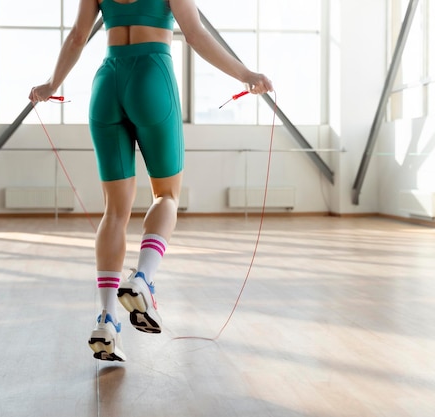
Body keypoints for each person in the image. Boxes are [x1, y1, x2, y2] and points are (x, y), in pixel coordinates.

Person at [30, 0, 273, 362]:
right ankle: (143, 278)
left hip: (107, 82)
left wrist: (53, 84)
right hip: (151, 77)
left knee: (114, 211)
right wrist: (246, 75)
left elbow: (79, 36)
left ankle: (107, 319)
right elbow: (195, 34)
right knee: (167, 195)